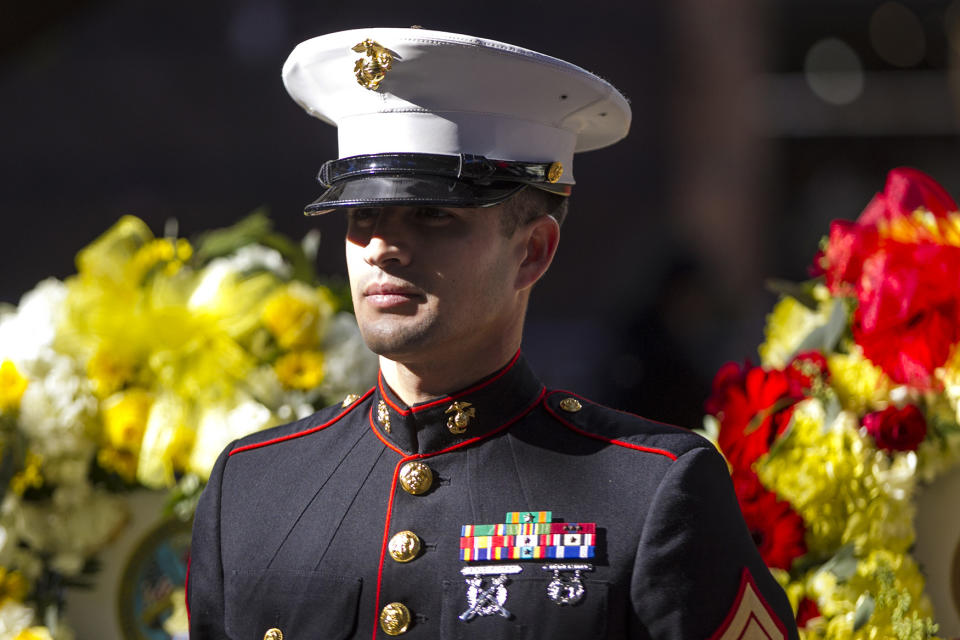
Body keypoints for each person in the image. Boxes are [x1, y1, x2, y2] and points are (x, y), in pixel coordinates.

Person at [187, 27, 800, 640]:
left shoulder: (651, 492)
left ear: (532, 251)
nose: (382, 248)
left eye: (432, 215)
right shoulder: (251, 488)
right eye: (363, 214)